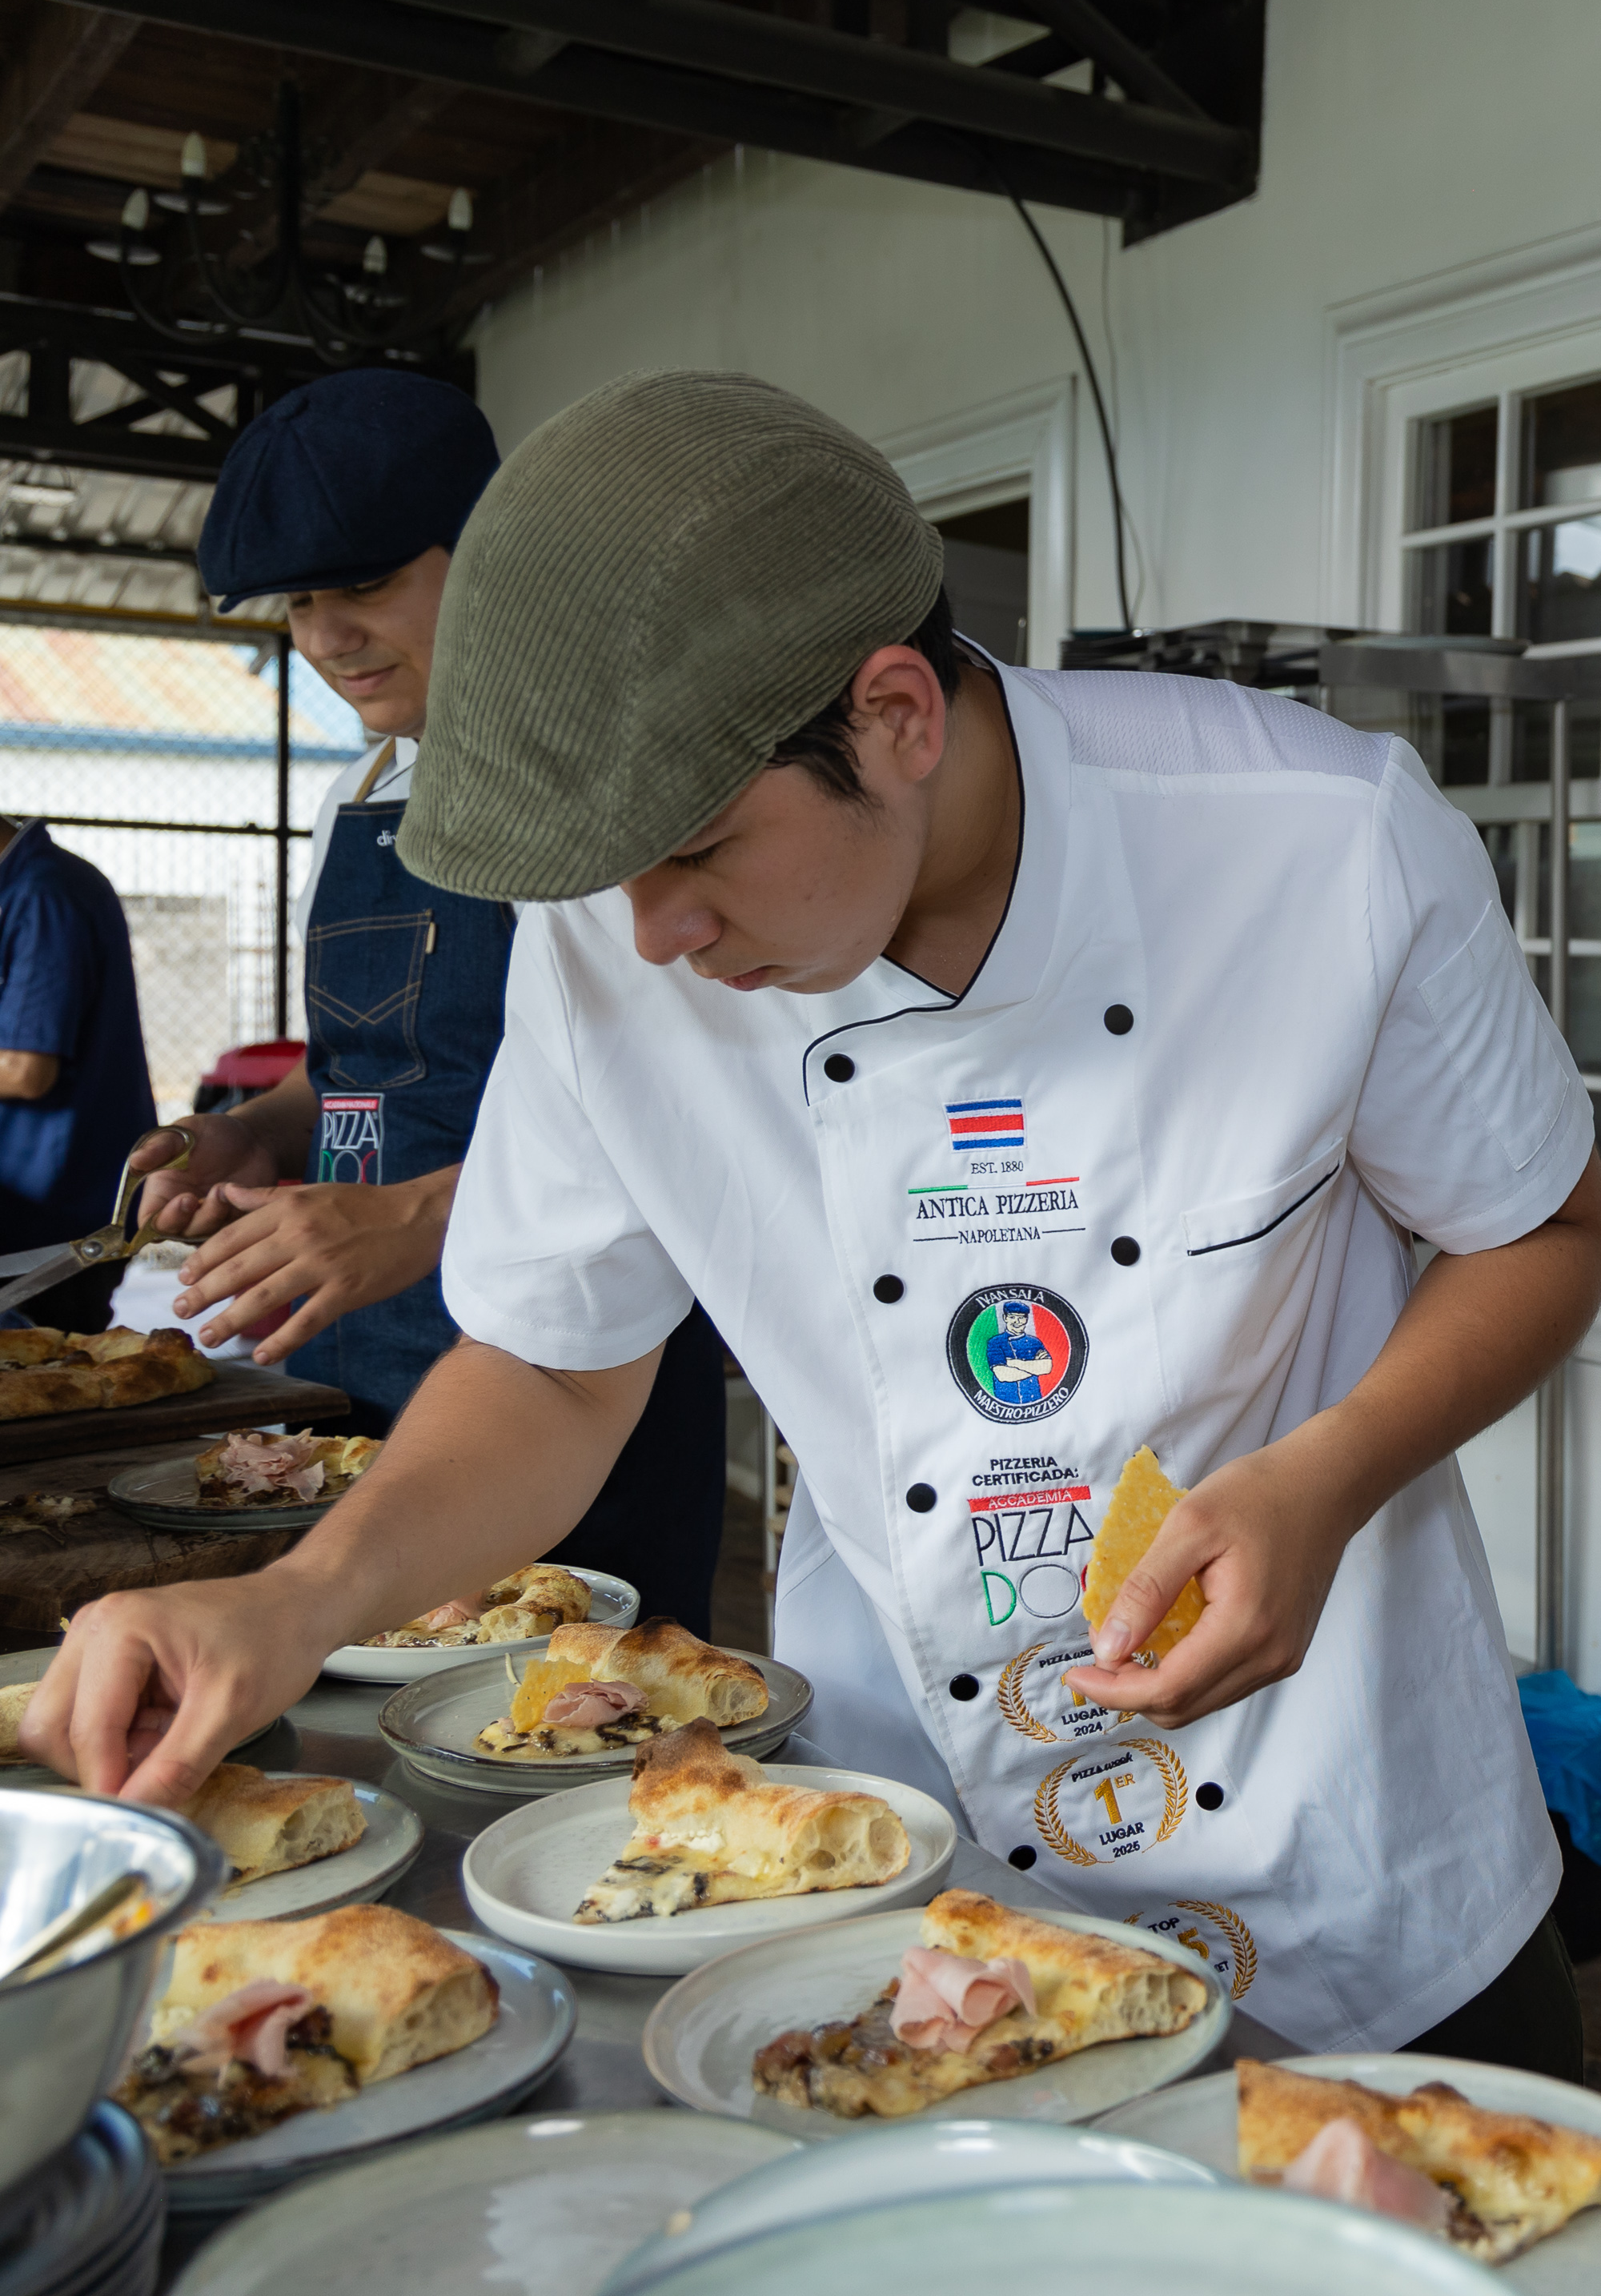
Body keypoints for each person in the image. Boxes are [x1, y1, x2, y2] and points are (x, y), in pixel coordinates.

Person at [26, 370, 1601, 2075]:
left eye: (703, 852)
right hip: (896, 1867)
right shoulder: (608, 931)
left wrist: (1329, 1471)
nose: (652, 936)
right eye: (615, 876)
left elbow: (1546, 1227)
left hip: (1361, 1855)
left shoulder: (1315, 845)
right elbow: (555, 1370)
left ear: (898, 715)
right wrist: (296, 1605)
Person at [126, 368, 727, 1628]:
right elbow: (355, 1061)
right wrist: (256, 1132)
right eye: (299, 600)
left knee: (561, 1719)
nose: (327, 635)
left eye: (366, 584)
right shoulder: (366, 790)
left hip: (559, 1378)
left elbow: (690, 1116)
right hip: (350, 1366)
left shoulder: (607, 784)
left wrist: (415, 1216)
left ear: (494, 548)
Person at [0, 813, 156, 1331]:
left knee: (50, 1384)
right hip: (37, 1198)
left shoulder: (45, 894)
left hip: (56, 1212)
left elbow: (25, 1070)